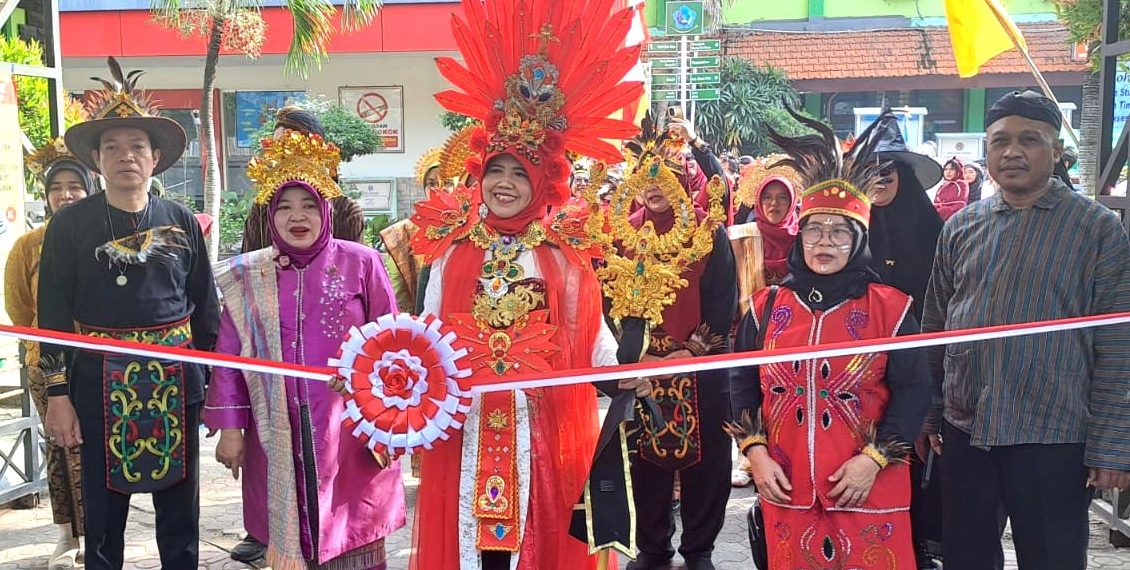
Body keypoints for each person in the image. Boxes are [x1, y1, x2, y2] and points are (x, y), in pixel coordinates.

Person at [409, 0, 642, 566]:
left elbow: (589, 334)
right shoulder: (452, 248)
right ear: (479, 174)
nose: (506, 183)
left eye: (520, 172)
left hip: (540, 422)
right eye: (497, 170)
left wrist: (624, 373)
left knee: (536, 540)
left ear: (543, 181)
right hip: (466, 423)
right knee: (472, 541)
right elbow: (427, 332)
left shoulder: (560, 253)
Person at [921, 90, 1130, 570]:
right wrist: (931, 414)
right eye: (1000, 141)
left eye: (1029, 140)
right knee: (966, 558)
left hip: (1053, 435)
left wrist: (1112, 444)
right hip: (967, 430)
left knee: (1053, 558)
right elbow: (936, 327)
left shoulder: (1096, 229)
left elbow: (1118, 344)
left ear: (1056, 151)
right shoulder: (961, 226)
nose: (1012, 151)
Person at [39, 57, 220, 570]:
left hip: (175, 378)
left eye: (137, 146)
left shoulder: (181, 220)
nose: (126, 156)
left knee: (180, 514)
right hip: (97, 381)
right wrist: (57, 395)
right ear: (97, 159)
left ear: (155, 157)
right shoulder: (69, 226)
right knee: (101, 519)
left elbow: (206, 306)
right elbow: (52, 313)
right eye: (113, 147)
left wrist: (212, 384)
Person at [729, 111, 931, 569]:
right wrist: (756, 455)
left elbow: (914, 391)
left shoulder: (891, 309)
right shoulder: (764, 308)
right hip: (787, 485)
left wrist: (873, 460)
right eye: (815, 229)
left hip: (868, 485)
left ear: (859, 238)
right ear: (800, 235)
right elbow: (740, 384)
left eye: (839, 231)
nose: (825, 241)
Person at [205, 131, 406, 569]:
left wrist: (390, 415)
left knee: (354, 536)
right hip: (275, 431)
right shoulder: (250, 275)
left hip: (352, 429)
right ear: (270, 215)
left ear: (326, 210)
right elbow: (228, 358)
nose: (297, 216)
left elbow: (393, 344)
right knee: (288, 534)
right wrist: (230, 429)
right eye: (285, 206)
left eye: (309, 205)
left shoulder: (361, 262)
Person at [616, 124, 736, 570]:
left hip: (699, 364)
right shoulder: (623, 235)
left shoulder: (708, 233)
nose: (654, 186)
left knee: (708, 462)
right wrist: (634, 355)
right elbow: (608, 303)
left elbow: (725, 299)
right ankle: (652, 548)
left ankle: (699, 549)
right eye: (646, 176)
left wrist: (694, 352)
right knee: (642, 462)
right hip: (642, 365)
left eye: (664, 174)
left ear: (682, 178)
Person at [857, 109, 945, 569]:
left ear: (904, 175)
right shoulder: (853, 228)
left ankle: (918, 545)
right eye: (870, 171)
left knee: (913, 456)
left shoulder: (936, 233)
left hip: (917, 364)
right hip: (860, 369)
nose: (878, 179)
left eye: (887, 171)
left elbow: (944, 303)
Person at [6, 138, 94, 568]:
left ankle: (99, 532)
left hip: (97, 361)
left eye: (74, 186)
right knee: (61, 448)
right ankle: (67, 536)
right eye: (56, 188)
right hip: (47, 364)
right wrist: (45, 345)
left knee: (96, 449)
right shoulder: (29, 245)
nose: (66, 195)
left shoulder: (102, 238)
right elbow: (20, 308)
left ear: (89, 189)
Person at [241, 106, 365, 253]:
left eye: (288, 146)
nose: (297, 217)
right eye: (275, 149)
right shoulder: (262, 208)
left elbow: (355, 262)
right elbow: (248, 263)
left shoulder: (346, 211)